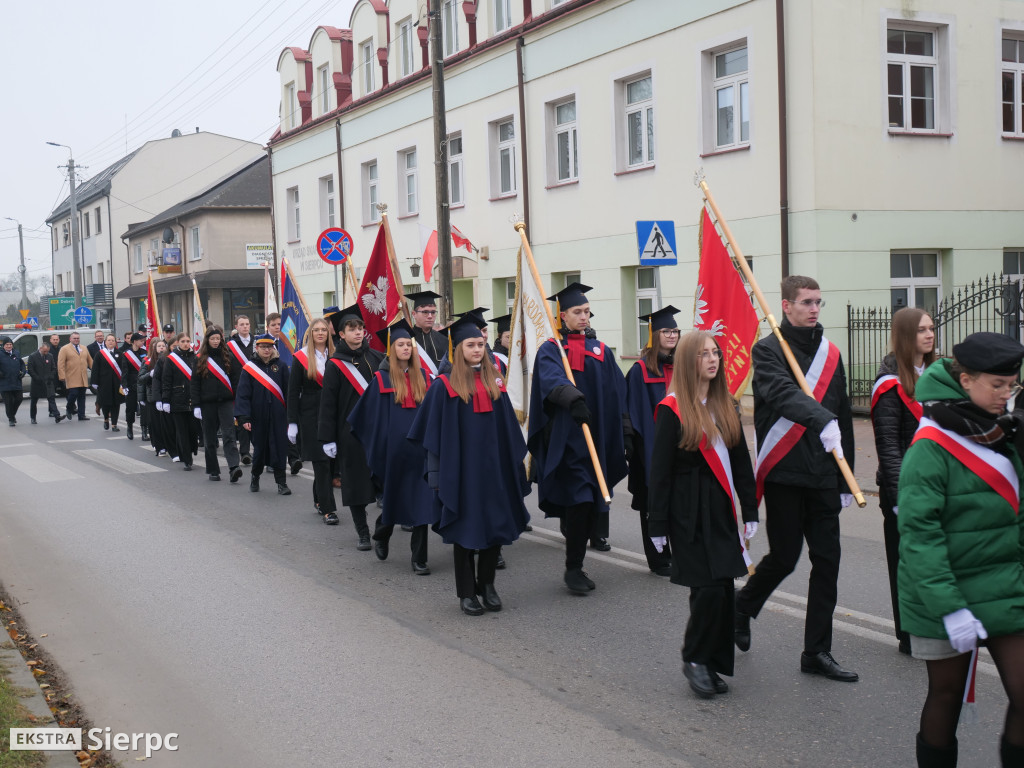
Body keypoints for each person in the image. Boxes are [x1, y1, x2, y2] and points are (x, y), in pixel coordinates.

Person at [897, 332, 1024, 768]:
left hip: (1004, 583)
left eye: (1013, 385)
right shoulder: (930, 446)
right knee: (946, 694)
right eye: (997, 385)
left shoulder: (1003, 430)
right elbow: (919, 535)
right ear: (966, 380)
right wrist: (949, 607)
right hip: (941, 590)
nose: (1006, 395)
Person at [734, 275, 858, 682]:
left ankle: (817, 652)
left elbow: (841, 418)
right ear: (786, 306)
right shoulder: (768, 351)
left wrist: (845, 478)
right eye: (806, 302)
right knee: (785, 558)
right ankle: (742, 607)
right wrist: (820, 418)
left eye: (818, 302)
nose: (814, 309)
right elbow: (781, 394)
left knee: (828, 561)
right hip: (786, 472)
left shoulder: (831, 353)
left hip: (823, 473)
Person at [648, 331, 758, 698]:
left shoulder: (726, 404)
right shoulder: (672, 408)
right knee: (707, 590)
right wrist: (657, 524)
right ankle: (694, 658)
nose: (713, 359)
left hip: (722, 513)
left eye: (716, 353)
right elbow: (660, 472)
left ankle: (710, 661)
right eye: (704, 354)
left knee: (724, 588)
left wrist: (750, 509)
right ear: (688, 361)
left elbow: (741, 463)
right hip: (688, 514)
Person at [407, 316, 531, 614]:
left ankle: (487, 585)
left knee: (494, 526)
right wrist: (436, 477)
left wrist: (516, 468)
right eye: (471, 345)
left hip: (494, 473)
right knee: (465, 530)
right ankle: (466, 592)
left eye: (481, 344)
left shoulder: (495, 382)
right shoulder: (443, 387)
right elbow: (433, 438)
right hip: (461, 474)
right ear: (458, 348)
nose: (478, 350)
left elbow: (509, 433)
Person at [527, 282, 629, 594]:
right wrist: (573, 398)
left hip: (597, 437)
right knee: (581, 500)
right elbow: (550, 380)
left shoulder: (601, 351)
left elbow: (617, 390)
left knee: (591, 504)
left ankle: (577, 562)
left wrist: (625, 429)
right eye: (577, 312)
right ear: (562, 315)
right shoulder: (551, 349)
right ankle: (573, 567)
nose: (584, 317)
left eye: (586, 311)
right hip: (569, 439)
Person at [870, 307, 936, 656]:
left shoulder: (939, 374)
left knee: (933, 560)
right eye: (921, 330)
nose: (929, 335)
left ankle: (933, 622)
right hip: (904, 488)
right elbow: (888, 445)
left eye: (931, 328)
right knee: (905, 564)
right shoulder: (890, 383)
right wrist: (898, 495)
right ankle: (907, 631)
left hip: (937, 486)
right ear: (905, 335)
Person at [349, 320, 436, 574]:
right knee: (395, 503)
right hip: (394, 455)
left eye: (409, 344)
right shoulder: (381, 379)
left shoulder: (426, 379)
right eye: (401, 344)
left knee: (422, 506)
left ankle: (419, 558)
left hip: (421, 453)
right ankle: (382, 534)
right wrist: (378, 446)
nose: (406, 348)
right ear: (392, 348)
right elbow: (365, 418)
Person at [318, 305, 384, 549]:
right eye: (351, 329)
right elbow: (328, 404)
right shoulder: (335, 364)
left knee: (385, 482)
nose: (358, 333)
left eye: (360, 328)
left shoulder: (377, 358)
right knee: (356, 485)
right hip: (350, 434)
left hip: (378, 431)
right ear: (341, 334)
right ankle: (363, 533)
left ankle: (382, 528)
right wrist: (328, 438)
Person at [626, 306, 681, 577]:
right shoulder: (639, 371)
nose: (672, 335)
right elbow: (634, 413)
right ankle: (658, 558)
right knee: (653, 501)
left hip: (680, 445)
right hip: (650, 446)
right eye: (666, 331)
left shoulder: (682, 366)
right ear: (653, 335)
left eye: (675, 331)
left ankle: (679, 552)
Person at [286, 318, 335, 521]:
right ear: (311, 333)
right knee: (321, 462)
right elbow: (292, 391)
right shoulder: (301, 357)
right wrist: (292, 422)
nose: (321, 333)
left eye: (324, 329)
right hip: (311, 415)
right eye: (316, 330)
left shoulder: (336, 355)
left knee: (330, 464)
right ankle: (328, 509)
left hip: (333, 414)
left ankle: (318, 498)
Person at [235, 334, 291, 494]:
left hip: (278, 416)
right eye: (263, 347)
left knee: (280, 449)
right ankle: (255, 476)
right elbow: (243, 394)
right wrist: (244, 417)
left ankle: (282, 483)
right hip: (258, 417)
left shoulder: (281, 366)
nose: (266, 350)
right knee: (260, 449)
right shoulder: (249, 368)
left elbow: (288, 392)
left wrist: (291, 415)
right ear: (257, 348)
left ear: (273, 348)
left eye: (269, 347)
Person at [192, 326, 241, 483]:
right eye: (212, 339)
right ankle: (213, 470)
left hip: (226, 402)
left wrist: (236, 401)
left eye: (217, 339)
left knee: (229, 435)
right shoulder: (199, 359)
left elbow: (235, 381)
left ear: (221, 340)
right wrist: (196, 405)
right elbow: (195, 384)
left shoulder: (228, 357)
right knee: (210, 438)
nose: (215, 341)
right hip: (207, 403)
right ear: (207, 340)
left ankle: (234, 467)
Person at [160, 334, 198, 470]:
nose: (186, 344)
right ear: (178, 343)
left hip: (193, 399)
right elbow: (166, 381)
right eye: (183, 341)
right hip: (177, 399)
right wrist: (165, 400)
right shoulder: (171, 359)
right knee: (182, 431)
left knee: (193, 430)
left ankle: (191, 449)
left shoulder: (195, 357)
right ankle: (187, 459)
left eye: (188, 341)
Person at [226, 315, 254, 466]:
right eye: (242, 324)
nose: (245, 327)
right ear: (236, 327)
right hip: (238, 388)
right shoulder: (230, 346)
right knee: (242, 421)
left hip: (258, 387)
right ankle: (245, 453)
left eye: (247, 324)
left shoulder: (257, 343)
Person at [405, 291, 447, 375]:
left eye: (433, 312)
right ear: (414, 314)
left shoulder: (444, 339)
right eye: (425, 312)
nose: (430, 316)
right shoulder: (406, 339)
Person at [138, 339, 168, 454]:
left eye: (163, 346)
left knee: (166, 423)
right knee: (155, 423)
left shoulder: (168, 360)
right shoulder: (147, 361)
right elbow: (140, 379)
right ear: (154, 348)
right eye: (159, 346)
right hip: (152, 396)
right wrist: (149, 374)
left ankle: (167, 444)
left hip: (166, 395)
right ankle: (159, 446)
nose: (161, 348)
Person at [89, 334, 125, 431]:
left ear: (115, 342)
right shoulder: (100, 354)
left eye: (112, 340)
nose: (110, 342)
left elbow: (123, 369)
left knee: (116, 404)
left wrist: (124, 382)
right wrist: (94, 382)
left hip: (117, 383)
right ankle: (106, 419)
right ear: (105, 342)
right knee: (106, 403)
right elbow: (95, 369)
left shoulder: (120, 353)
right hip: (104, 383)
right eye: (109, 340)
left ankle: (114, 424)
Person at [57, 331, 92, 421]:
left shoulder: (84, 348)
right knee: (73, 394)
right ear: (70, 339)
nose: (76, 340)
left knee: (82, 396)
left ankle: (81, 415)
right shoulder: (65, 349)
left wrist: (95, 371)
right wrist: (62, 375)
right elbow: (60, 363)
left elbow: (90, 361)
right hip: (71, 376)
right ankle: (69, 408)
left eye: (78, 338)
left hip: (83, 377)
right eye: (74, 338)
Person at [27, 341, 64, 424]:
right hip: (37, 383)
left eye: (47, 351)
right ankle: (33, 418)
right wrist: (37, 378)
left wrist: (51, 376)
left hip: (48, 382)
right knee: (34, 401)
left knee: (51, 399)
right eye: (44, 351)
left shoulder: (50, 356)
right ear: (40, 349)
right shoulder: (33, 356)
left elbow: (54, 368)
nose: (46, 353)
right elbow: (30, 369)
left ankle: (57, 416)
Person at [119, 333, 146, 440]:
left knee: (144, 408)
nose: (142, 342)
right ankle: (129, 427)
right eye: (140, 340)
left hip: (142, 384)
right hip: (131, 384)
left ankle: (144, 430)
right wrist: (124, 385)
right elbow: (124, 371)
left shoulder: (145, 353)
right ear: (134, 341)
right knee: (130, 408)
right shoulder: (126, 354)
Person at [0, 336, 27, 426]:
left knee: (19, 399)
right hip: (4, 382)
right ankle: (11, 419)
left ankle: (12, 414)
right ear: (3, 346)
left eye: (10, 344)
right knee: (8, 402)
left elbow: (22, 365)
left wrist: (23, 372)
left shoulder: (16, 353)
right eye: (7, 345)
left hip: (16, 381)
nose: (9, 346)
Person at [86, 329, 106, 416]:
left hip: (109, 372)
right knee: (101, 391)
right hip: (97, 373)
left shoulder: (108, 345)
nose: (100, 337)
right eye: (98, 336)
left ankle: (106, 410)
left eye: (101, 336)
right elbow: (88, 361)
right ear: (95, 337)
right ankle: (98, 404)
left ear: (103, 336)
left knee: (108, 391)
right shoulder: (90, 347)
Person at [49, 333, 65, 399]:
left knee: (66, 390)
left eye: (57, 339)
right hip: (52, 373)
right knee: (52, 392)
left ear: (59, 340)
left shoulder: (62, 349)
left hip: (61, 372)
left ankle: (71, 406)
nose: (55, 341)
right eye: (54, 339)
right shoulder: (48, 350)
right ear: (50, 340)